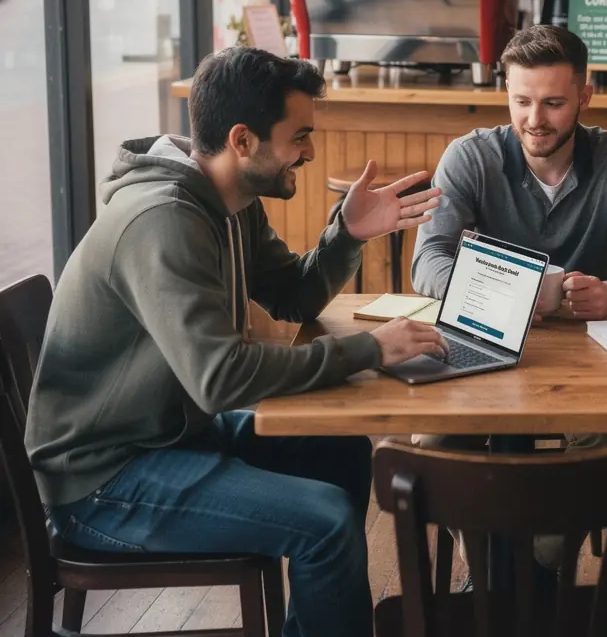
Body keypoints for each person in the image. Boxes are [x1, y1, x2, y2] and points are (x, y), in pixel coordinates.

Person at [25, 47, 449, 637]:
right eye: (299, 136)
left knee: (341, 449)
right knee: (324, 522)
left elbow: (294, 296)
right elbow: (220, 378)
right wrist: (371, 349)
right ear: (243, 140)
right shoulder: (163, 220)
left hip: (170, 434)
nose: (310, 151)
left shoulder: (228, 204)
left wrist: (347, 233)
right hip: (104, 481)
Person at [412, 23, 607, 316]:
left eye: (553, 104)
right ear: (507, 90)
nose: (535, 120)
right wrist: (492, 294)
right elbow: (429, 259)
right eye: (522, 102)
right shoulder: (470, 156)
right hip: (491, 324)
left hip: (585, 335)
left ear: (584, 97)